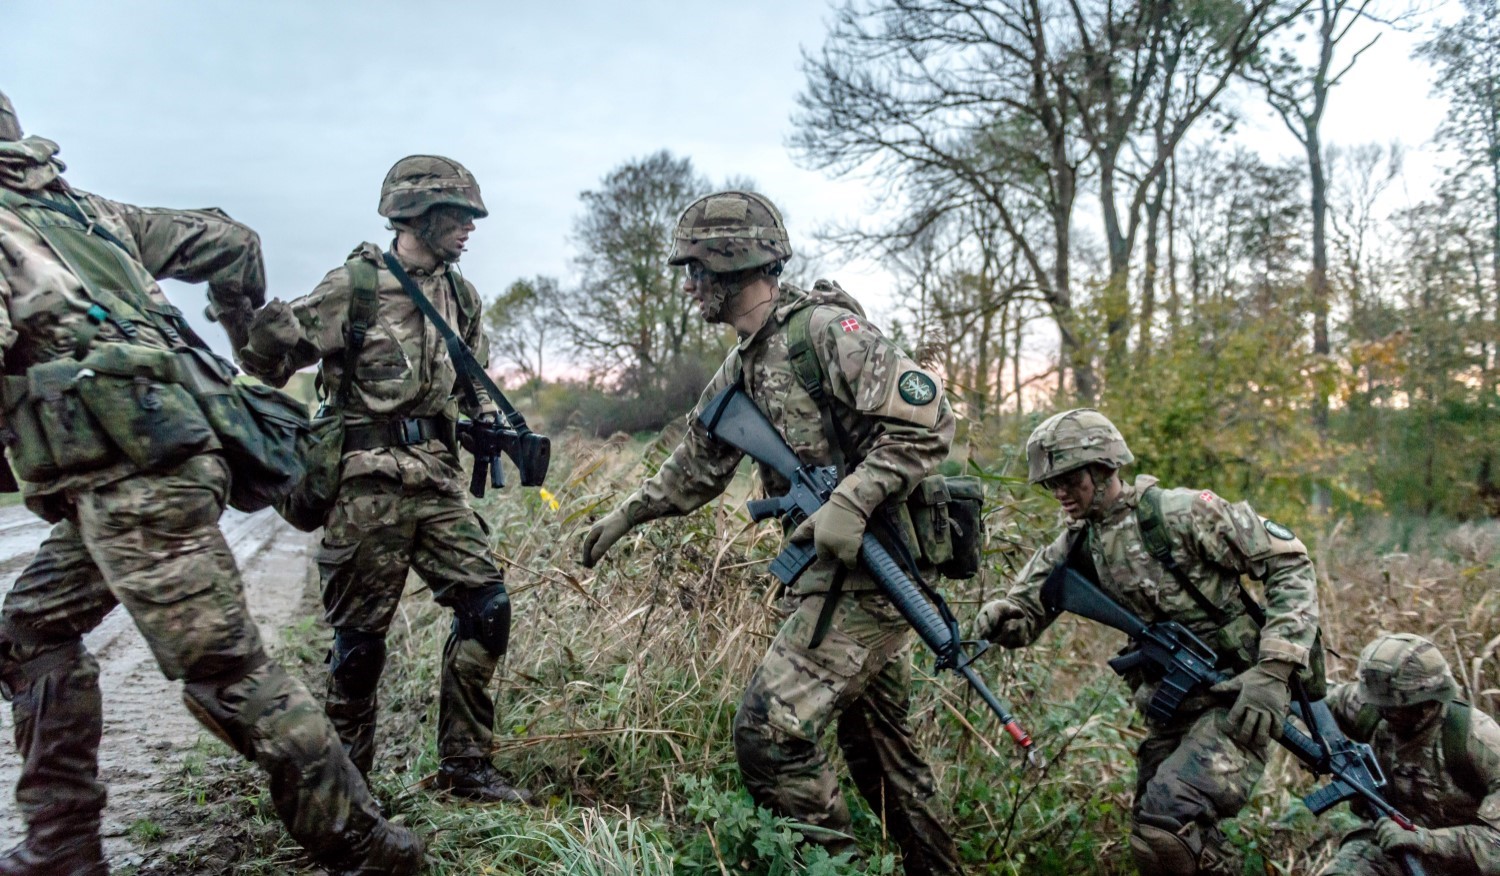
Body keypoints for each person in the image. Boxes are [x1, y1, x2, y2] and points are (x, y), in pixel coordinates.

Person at [0, 90, 423, 874]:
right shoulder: (81, 210)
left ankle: (366, 846)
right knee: (29, 629)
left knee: (225, 672)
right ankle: (61, 844)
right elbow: (232, 242)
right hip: (151, 467)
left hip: (134, 484)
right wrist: (237, 351)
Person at [581, 190, 963, 873]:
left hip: (876, 576)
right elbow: (695, 466)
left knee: (770, 732)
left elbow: (928, 419)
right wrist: (625, 516)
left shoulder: (824, 333)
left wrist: (851, 499)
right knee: (880, 753)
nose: (689, 284)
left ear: (735, 262)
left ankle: (832, 868)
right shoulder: (739, 370)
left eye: (696, 267)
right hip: (827, 579)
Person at [237, 155, 527, 803]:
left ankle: (467, 765)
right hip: (365, 487)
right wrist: (258, 330)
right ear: (416, 215)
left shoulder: (462, 295)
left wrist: (492, 427)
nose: (470, 229)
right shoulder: (355, 287)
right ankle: (350, 797)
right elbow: (269, 364)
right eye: (458, 215)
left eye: (472, 216)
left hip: (438, 483)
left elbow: (473, 382)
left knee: (489, 610)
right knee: (358, 651)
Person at [977, 409, 1321, 876]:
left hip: (1241, 695)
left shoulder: (1180, 513)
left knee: (1168, 822)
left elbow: (1290, 561)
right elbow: (1024, 614)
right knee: (1156, 844)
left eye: (1068, 479)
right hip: (1175, 707)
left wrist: (1276, 670)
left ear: (1102, 469)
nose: (1059, 492)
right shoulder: (1076, 545)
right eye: (1049, 484)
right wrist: (998, 616)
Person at [1316, 633, 1500, 875]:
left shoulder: (1480, 742)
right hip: (1391, 848)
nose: (1383, 712)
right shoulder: (1370, 709)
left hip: (1467, 863)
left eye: (1393, 707)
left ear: (1425, 701)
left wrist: (1423, 839)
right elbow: (1312, 699)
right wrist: (1316, 743)